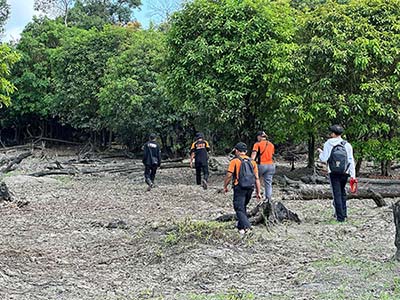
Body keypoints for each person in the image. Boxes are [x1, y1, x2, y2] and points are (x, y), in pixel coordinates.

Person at [317, 125, 356, 222]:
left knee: (336, 193)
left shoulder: (328, 143)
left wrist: (320, 152)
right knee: (342, 192)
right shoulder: (347, 145)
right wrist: (353, 175)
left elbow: (324, 158)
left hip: (333, 172)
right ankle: (344, 213)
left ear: (333, 134)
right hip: (345, 171)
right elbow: (350, 160)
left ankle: (340, 217)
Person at [223, 142, 262, 234]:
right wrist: (258, 192)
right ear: (245, 151)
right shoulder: (252, 162)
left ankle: (247, 227)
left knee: (238, 208)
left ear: (236, 151)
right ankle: (241, 228)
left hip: (239, 187)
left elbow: (229, 175)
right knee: (243, 207)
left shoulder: (234, 161)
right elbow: (256, 178)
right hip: (250, 187)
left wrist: (225, 186)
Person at [251, 131, 275, 201]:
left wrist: (250, 163)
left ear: (260, 136)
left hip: (261, 165)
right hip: (271, 165)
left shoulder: (257, 144)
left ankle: (257, 193)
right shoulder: (271, 144)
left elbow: (253, 156)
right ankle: (268, 198)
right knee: (268, 183)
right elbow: (272, 155)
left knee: (256, 178)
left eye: (257, 137)